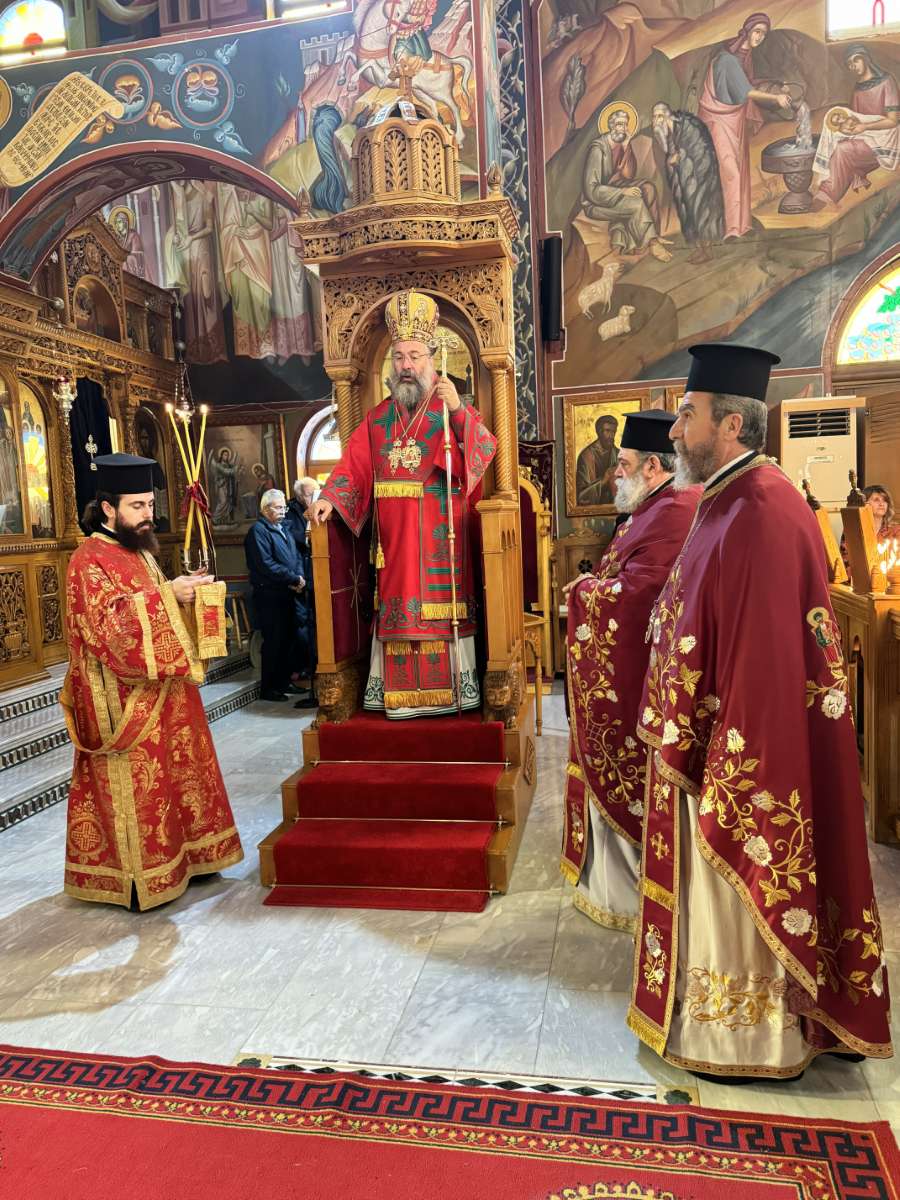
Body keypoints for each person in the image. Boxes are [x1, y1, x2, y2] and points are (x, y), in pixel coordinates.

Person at [628, 343, 892, 1081]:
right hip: (707, 730)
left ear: (731, 425)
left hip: (742, 748)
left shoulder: (764, 508)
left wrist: (720, 755)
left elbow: (769, 664)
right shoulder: (727, 497)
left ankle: (747, 1037)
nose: (675, 430)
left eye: (687, 415)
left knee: (741, 884)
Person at [62, 453, 243, 910]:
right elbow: (106, 629)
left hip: (164, 689)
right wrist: (167, 595)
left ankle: (193, 857)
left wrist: (184, 594)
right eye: (138, 506)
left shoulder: (138, 550)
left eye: (150, 504)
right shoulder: (88, 559)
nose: (149, 514)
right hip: (122, 700)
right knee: (143, 787)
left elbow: (155, 609)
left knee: (178, 776)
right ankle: (138, 879)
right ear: (108, 508)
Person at [308, 289, 498, 718]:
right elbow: (354, 465)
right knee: (397, 607)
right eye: (398, 357)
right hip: (394, 546)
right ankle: (399, 697)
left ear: (431, 359)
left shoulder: (448, 408)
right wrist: (329, 499)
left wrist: (459, 411)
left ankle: (454, 691)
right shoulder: (378, 418)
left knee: (440, 607)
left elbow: (484, 450)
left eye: (414, 356)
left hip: (440, 537)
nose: (406, 365)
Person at [561, 412, 701, 932]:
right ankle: (612, 885)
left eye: (622, 464)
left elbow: (642, 594)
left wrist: (585, 592)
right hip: (636, 667)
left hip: (642, 673)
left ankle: (625, 893)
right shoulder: (654, 506)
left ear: (652, 467)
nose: (614, 473)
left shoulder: (674, 509)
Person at [697, 14, 793, 239]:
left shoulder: (744, 57)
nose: (759, 37)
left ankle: (742, 225)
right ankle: (730, 228)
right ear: (747, 31)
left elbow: (748, 82)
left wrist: (776, 85)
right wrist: (775, 98)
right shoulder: (727, 59)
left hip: (734, 120)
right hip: (718, 120)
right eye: (757, 31)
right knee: (729, 171)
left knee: (740, 170)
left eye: (763, 33)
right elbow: (746, 91)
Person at [582, 107, 672, 261]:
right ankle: (652, 243)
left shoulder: (621, 143)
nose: (623, 128)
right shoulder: (598, 150)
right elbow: (591, 190)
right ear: (610, 126)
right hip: (596, 202)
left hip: (617, 187)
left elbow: (628, 175)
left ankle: (654, 234)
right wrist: (623, 192)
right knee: (636, 204)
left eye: (625, 124)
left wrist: (626, 147)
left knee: (648, 189)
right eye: (619, 124)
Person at [814, 46, 900, 206]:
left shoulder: (887, 82)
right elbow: (854, 120)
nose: (853, 65)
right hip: (863, 138)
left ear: (866, 58)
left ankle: (827, 194)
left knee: (843, 150)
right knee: (835, 144)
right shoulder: (857, 89)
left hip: (885, 140)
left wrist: (865, 127)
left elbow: (893, 121)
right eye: (849, 63)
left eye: (856, 60)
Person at [245, 488, 309, 702]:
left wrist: (299, 577)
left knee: (288, 640)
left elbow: (295, 556)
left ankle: (284, 682)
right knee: (274, 642)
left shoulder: (283, 528)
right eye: (278, 507)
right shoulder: (258, 531)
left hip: (289, 593)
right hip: (270, 595)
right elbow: (266, 564)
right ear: (265, 509)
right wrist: (293, 578)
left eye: (284, 507)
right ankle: (269, 688)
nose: (283, 511)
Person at [652, 102, 725, 264]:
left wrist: (680, 157)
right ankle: (699, 248)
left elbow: (700, 150)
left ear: (668, 116)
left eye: (659, 116)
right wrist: (673, 161)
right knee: (688, 213)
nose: (656, 121)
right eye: (654, 117)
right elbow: (670, 155)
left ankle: (708, 250)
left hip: (701, 177)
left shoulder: (689, 126)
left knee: (702, 210)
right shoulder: (667, 133)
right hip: (684, 179)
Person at [284, 477, 319, 709]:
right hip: (299, 576)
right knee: (302, 625)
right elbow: (294, 538)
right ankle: (304, 666)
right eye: (309, 494)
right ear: (299, 496)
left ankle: (313, 665)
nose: (313, 498)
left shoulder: (317, 509)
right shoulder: (291, 512)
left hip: (315, 574)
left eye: (316, 493)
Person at [840, 484, 900, 569]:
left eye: (885, 500)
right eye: (876, 500)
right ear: (865, 504)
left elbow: (897, 561)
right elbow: (845, 560)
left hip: (889, 575)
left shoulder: (896, 530)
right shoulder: (852, 530)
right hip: (857, 575)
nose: (882, 504)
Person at [576, 415, 619, 506]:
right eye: (607, 431)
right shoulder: (586, 456)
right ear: (599, 431)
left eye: (613, 431)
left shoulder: (618, 454)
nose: (611, 436)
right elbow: (581, 497)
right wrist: (603, 481)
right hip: (594, 510)